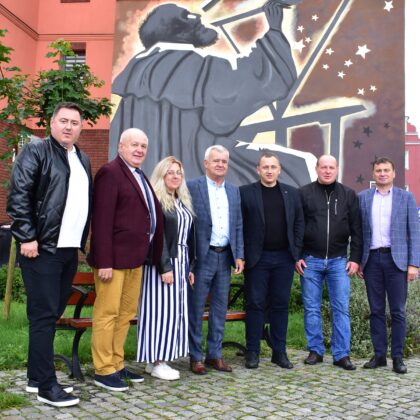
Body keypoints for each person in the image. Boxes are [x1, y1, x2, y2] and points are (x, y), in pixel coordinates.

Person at [110, 0, 297, 184]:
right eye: (186, 16)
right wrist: (274, 29)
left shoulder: (138, 70)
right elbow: (254, 82)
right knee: (294, 168)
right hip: (194, 171)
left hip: (149, 182)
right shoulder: (192, 65)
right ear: (175, 30)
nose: (196, 15)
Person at [7, 102, 91, 407]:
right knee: (44, 316)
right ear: (52, 123)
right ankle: (46, 386)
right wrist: (27, 236)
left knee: (51, 313)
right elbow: (19, 195)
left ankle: (34, 376)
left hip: (68, 249)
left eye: (75, 123)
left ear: (80, 128)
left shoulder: (82, 158)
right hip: (41, 248)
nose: (69, 127)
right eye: (63, 121)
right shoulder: (36, 151)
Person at [88, 128, 164, 391]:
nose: (139, 150)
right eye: (134, 145)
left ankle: (117, 363)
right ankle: (103, 369)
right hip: (113, 261)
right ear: (121, 147)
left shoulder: (139, 175)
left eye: (143, 146)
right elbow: (102, 220)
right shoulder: (110, 173)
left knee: (125, 315)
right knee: (107, 314)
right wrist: (104, 261)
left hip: (135, 259)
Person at [295, 155, 362, 370]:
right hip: (310, 260)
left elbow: (357, 229)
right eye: (323, 167)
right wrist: (297, 255)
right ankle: (315, 350)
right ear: (316, 169)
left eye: (331, 167)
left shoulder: (348, 194)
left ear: (337, 169)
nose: (327, 171)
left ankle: (341, 354)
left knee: (340, 308)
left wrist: (355, 258)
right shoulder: (304, 193)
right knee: (311, 308)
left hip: (339, 261)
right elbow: (297, 227)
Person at [240, 152, 304, 369]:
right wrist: (241, 255)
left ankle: (279, 352)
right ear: (258, 169)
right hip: (257, 259)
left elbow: (299, 224)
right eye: (265, 167)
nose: (269, 171)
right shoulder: (245, 193)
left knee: (280, 305)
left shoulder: (292, 193)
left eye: (273, 167)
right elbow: (240, 225)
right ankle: (252, 352)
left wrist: (296, 253)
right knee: (255, 304)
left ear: (279, 170)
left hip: (284, 259)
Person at [358, 157, 420, 374]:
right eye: (378, 170)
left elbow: (415, 232)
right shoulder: (363, 198)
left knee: (398, 311)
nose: (382, 173)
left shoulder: (406, 197)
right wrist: (359, 261)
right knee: (376, 310)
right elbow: (358, 233)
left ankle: (398, 358)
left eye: (386, 170)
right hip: (372, 260)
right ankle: (379, 355)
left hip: (397, 262)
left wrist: (414, 264)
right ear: (373, 174)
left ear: (394, 173)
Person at [137, 156, 196, 381]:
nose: (175, 176)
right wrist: (165, 266)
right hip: (163, 263)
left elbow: (187, 237)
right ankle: (158, 361)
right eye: (170, 172)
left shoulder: (181, 201)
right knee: (159, 313)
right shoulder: (157, 201)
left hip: (181, 262)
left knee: (173, 313)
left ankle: (155, 360)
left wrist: (190, 267)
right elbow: (156, 236)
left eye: (178, 173)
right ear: (161, 175)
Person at [187, 145, 244, 374]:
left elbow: (237, 224)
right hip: (202, 256)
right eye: (216, 160)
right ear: (206, 163)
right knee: (196, 308)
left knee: (220, 308)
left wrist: (239, 254)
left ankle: (214, 354)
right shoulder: (192, 187)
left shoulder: (233, 190)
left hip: (225, 256)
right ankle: (195, 357)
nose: (220, 164)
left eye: (224, 161)